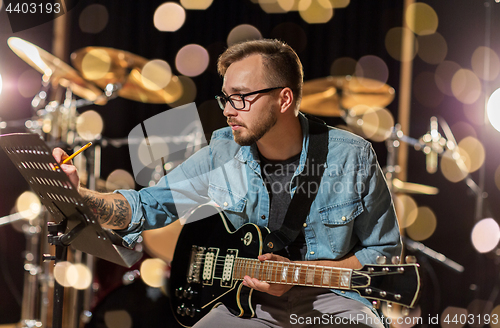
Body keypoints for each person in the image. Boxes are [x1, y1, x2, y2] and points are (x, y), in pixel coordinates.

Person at [53, 39, 401, 328]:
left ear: (284, 99)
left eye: (241, 96)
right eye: (225, 97)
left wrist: (297, 274)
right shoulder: (222, 151)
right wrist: (79, 196)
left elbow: (382, 255)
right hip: (244, 303)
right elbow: (150, 205)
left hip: (332, 302)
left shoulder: (352, 157)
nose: (228, 110)